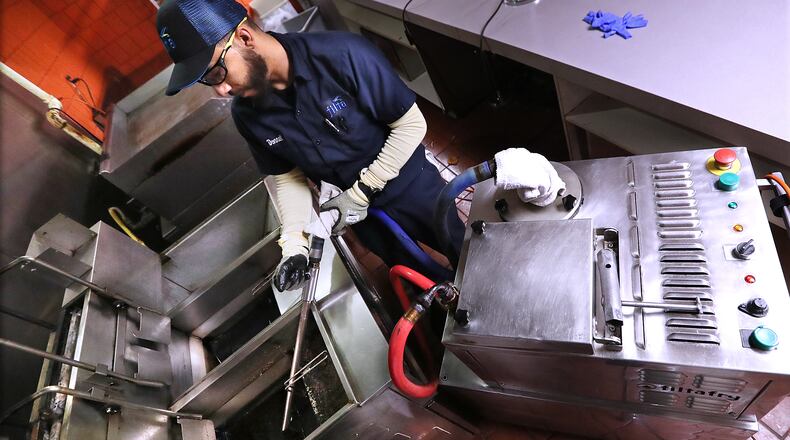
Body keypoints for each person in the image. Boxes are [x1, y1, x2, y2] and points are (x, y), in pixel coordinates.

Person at [156, 0, 466, 292]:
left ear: (245, 38)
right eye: (207, 81)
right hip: (359, 217)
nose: (221, 90)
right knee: (418, 280)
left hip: (413, 189)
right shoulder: (247, 115)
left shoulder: (342, 55)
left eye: (216, 72)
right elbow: (287, 176)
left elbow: (411, 125)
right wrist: (294, 243)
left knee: (467, 254)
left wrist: (363, 190)